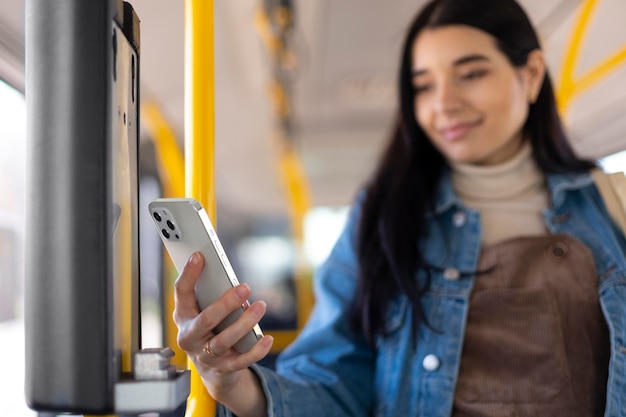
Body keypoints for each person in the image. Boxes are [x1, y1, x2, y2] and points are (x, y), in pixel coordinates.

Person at [173, 0, 626, 416]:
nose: (444, 104)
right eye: (423, 86)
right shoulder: (384, 218)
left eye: (471, 74)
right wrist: (233, 385)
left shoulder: (612, 207)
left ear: (531, 73)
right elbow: (333, 384)